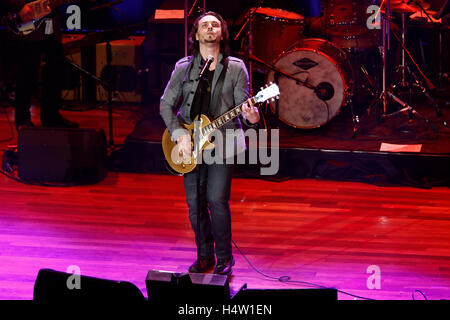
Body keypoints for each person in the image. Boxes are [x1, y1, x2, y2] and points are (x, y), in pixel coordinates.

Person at [160, 11, 260, 275]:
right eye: (205, 25)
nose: (210, 28)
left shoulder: (236, 68)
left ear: (222, 33)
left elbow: (243, 106)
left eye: (215, 25)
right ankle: (204, 256)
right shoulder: (184, 68)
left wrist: (251, 116)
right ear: (196, 35)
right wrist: (179, 135)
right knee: (195, 204)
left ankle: (225, 258)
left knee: (216, 200)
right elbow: (166, 104)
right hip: (190, 144)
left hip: (224, 142)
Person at [1, 0, 78, 130]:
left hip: (49, 22)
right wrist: (20, 6)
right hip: (28, 21)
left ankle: (51, 116)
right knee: (28, 69)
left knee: (56, 64)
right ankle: (22, 118)